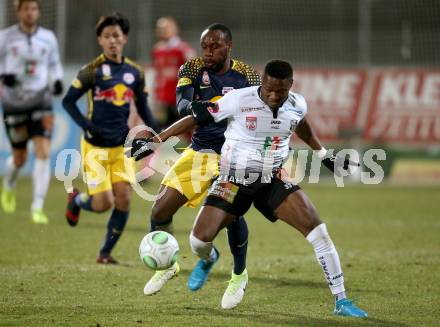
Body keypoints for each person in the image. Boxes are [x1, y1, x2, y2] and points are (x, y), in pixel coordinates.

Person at [128, 60, 368, 317]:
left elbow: (303, 127)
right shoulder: (238, 100)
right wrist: (156, 141)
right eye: (269, 90)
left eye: (281, 91)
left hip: (271, 180)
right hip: (233, 180)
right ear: (262, 83)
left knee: (318, 231)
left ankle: (341, 301)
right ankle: (209, 259)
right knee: (198, 242)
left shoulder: (297, 104)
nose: (274, 96)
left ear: (291, 86)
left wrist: (323, 155)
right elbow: (195, 118)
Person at [134, 23, 261, 302]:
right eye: (204, 46)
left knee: (231, 216)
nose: (208, 52)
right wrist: (193, 112)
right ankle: (169, 264)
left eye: (214, 46)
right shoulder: (191, 69)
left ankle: (239, 275)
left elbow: (260, 117)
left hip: (234, 155)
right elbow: (182, 105)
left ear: (229, 46)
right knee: (159, 211)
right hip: (201, 151)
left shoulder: (248, 76)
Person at [62, 13, 158, 264]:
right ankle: (77, 200)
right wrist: (86, 125)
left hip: (122, 147)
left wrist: (155, 132)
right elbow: (68, 101)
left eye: (116, 35)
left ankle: (105, 253)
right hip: (94, 147)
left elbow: (144, 106)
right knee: (103, 203)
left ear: (124, 38)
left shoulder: (135, 72)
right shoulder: (91, 71)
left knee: (124, 198)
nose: (112, 40)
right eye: (107, 36)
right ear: (100, 40)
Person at [0, 0, 64, 224]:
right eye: (25, 8)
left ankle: (37, 206)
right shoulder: (5, 37)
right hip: (13, 104)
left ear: (38, 11)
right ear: (19, 12)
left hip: (41, 100)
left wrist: (57, 80)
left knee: (43, 152)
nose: (30, 12)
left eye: (34, 8)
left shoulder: (48, 37)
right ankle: (8, 185)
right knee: (20, 157)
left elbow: (55, 63)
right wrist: (3, 75)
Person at [152, 16, 196, 129]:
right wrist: (156, 95)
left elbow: (194, 72)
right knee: (163, 130)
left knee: (186, 130)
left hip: (180, 98)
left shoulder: (183, 49)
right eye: (160, 28)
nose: (163, 31)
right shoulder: (158, 50)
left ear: (175, 29)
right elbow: (158, 75)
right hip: (164, 98)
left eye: (166, 28)